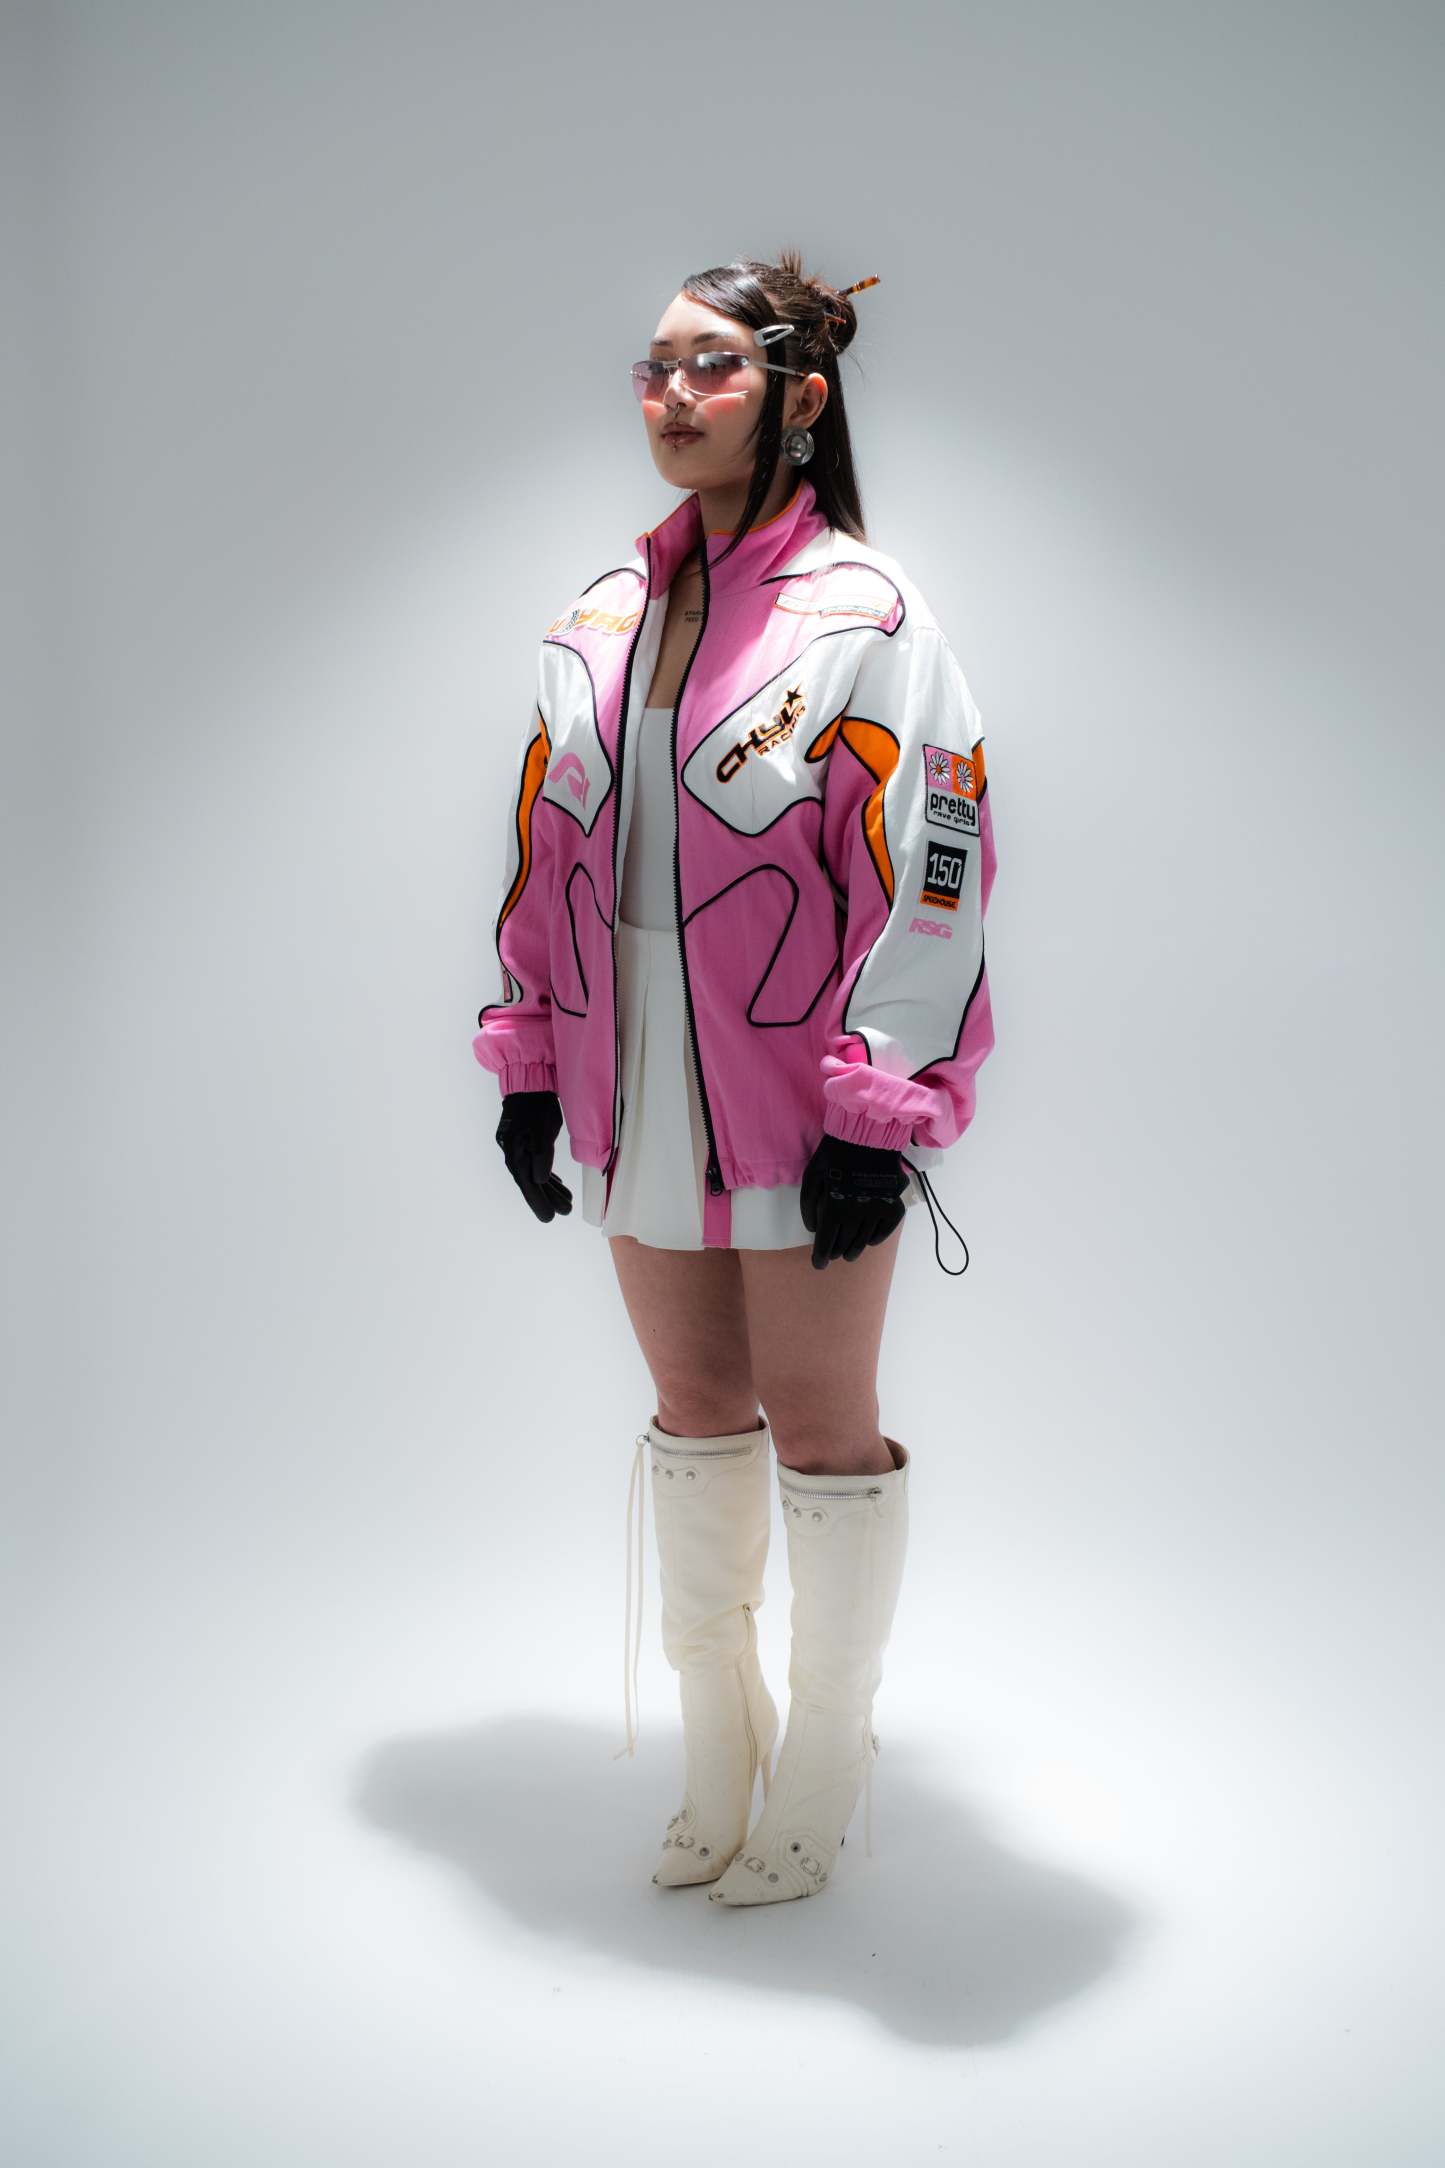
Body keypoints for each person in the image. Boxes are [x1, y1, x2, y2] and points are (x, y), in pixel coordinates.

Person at [471, 249, 998, 1905]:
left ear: (797, 396)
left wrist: (879, 1098)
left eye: (710, 364)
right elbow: (540, 847)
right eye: (653, 366)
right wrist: (530, 1059)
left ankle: (824, 1761)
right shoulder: (594, 618)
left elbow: (935, 854)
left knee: (822, 1431)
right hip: (633, 1087)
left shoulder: (868, 616)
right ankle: (722, 1737)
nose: (672, 395)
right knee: (694, 1409)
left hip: (795, 1093)